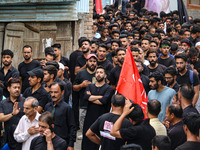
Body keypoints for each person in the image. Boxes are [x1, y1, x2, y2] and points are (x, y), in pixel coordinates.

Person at [82, 66, 113, 150]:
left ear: (105, 75)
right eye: (97, 72)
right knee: (87, 141)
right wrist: (99, 97)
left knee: (100, 141)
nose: (98, 74)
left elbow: (103, 101)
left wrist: (91, 97)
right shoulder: (90, 86)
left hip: (102, 119)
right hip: (89, 118)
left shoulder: (108, 88)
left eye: (101, 72)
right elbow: (86, 97)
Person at [44, 82, 76, 150]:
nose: (53, 95)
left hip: (62, 143)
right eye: (51, 92)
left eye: (56, 92)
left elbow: (72, 127)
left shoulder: (67, 108)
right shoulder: (47, 106)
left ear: (62, 92)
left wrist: (71, 144)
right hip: (47, 141)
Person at [73, 54, 97, 135]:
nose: (92, 63)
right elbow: (74, 88)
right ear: (86, 62)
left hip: (97, 105)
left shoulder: (99, 73)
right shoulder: (81, 73)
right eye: (90, 61)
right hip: (83, 104)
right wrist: (81, 85)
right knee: (84, 125)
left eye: (94, 61)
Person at [0, 78, 25, 150]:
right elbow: (1, 118)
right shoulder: (3, 103)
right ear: (8, 88)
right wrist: (12, 114)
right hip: (7, 137)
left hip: (22, 137)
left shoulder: (25, 101)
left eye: (19, 87)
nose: (17, 89)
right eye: (14, 87)